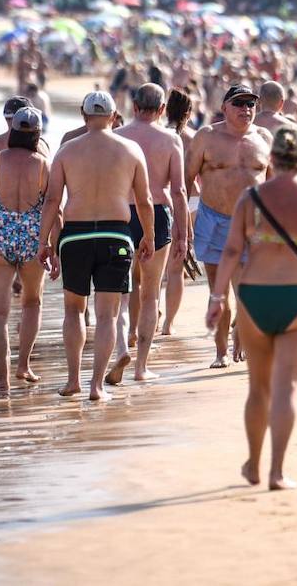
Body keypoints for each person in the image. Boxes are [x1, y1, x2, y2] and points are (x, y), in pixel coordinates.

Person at [206, 125, 297, 491]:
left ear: (271, 159)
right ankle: (277, 473)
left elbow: (231, 251)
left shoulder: (250, 199)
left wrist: (218, 297)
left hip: (255, 297)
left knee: (258, 388)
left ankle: (253, 466)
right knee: (285, 388)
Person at [39, 91, 153, 400]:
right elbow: (144, 201)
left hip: (75, 236)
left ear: (83, 114)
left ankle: (73, 380)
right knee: (107, 314)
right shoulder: (131, 150)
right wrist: (149, 237)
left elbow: (52, 201)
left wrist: (44, 242)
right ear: (116, 115)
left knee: (74, 310)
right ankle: (96, 386)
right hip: (115, 235)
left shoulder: (66, 151)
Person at [186, 85, 272, 368]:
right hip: (213, 220)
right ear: (224, 107)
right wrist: (186, 223)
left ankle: (241, 330)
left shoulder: (264, 138)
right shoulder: (207, 137)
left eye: (251, 104)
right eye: (239, 104)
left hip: (253, 222)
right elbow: (186, 181)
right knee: (218, 291)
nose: (246, 109)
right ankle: (221, 352)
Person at [113, 84, 188, 383]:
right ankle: (141, 367)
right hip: (156, 214)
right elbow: (180, 191)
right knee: (150, 294)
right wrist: (184, 234)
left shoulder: (117, 137)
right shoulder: (171, 140)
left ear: (133, 107)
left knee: (117, 293)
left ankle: (121, 347)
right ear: (161, 110)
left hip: (120, 215)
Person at [0, 106, 49, 391]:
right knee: (32, 303)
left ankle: (2, 376)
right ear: (37, 134)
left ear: (13, 130)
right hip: (33, 235)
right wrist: (52, 245)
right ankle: (24, 366)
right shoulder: (43, 163)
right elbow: (53, 206)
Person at [161, 87, 197, 336]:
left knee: (153, 267)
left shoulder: (159, 135)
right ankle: (168, 324)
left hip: (163, 199)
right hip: (191, 201)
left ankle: (152, 312)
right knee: (177, 268)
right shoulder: (193, 138)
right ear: (189, 111)